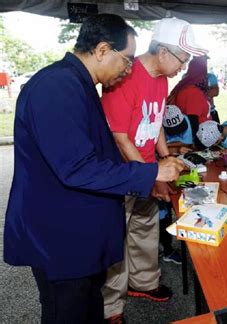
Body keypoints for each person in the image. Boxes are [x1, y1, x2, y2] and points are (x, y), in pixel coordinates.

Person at [3, 14, 184, 323]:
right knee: (67, 312)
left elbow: (98, 154)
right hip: (60, 239)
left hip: (79, 234)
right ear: (102, 50)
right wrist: (150, 172)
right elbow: (77, 167)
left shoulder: (79, 84)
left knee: (88, 309)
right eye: (126, 60)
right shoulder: (55, 86)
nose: (128, 70)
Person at [101, 17, 205, 322]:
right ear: (163, 51)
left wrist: (166, 161)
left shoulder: (161, 80)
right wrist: (152, 175)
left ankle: (143, 282)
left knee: (145, 229)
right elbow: (121, 139)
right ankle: (111, 307)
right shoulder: (124, 78)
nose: (183, 68)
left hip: (146, 167)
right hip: (122, 173)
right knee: (116, 237)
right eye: (182, 60)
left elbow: (156, 121)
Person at [167, 55, 211, 137]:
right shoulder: (193, 92)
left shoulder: (186, 86)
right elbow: (193, 120)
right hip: (198, 138)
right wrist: (195, 143)